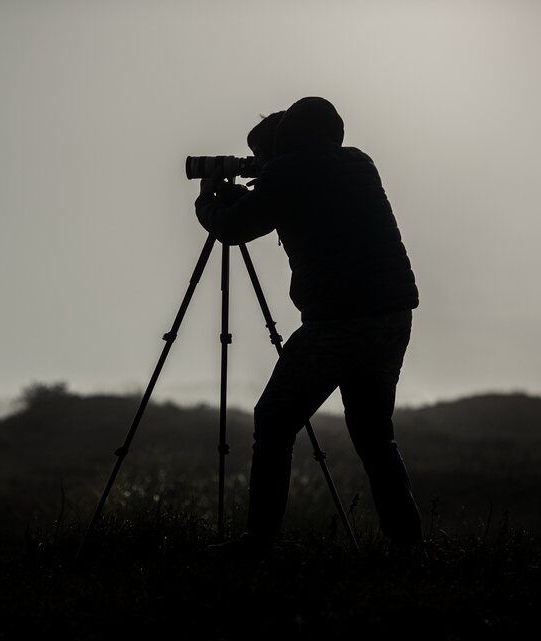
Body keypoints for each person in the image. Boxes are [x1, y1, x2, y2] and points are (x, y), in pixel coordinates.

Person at [195, 97, 423, 558]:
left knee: (274, 423)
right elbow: (307, 205)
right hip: (392, 315)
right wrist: (262, 187)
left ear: (282, 147)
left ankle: (259, 542)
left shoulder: (287, 174)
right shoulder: (359, 163)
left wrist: (209, 196)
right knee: (375, 435)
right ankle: (409, 547)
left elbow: (232, 228)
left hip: (337, 322)